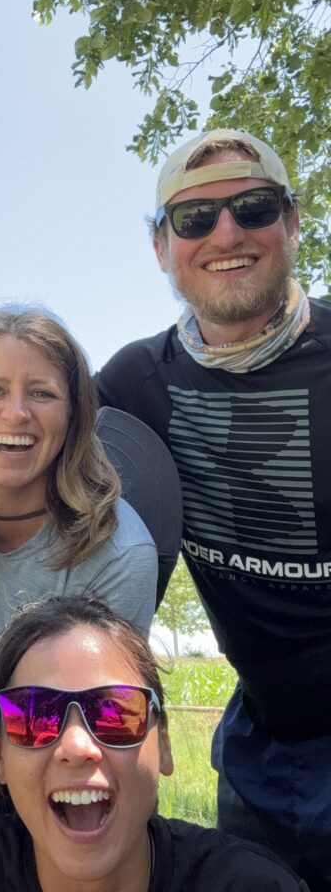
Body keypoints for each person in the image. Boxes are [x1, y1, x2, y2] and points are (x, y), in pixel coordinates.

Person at [95, 129, 331, 890]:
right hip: (258, 744)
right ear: (161, 247)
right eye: (194, 219)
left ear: (293, 223)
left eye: (253, 208)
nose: (226, 233)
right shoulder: (135, 380)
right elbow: (30, 428)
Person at [0, 307, 161, 843]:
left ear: (74, 416)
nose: (15, 413)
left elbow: (86, 731)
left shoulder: (120, 553)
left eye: (42, 393)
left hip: (71, 777)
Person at [0, 595, 309, 892]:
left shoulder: (250, 885)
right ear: (0, 757)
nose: (76, 746)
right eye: (33, 716)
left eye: (114, 713)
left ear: (163, 745)